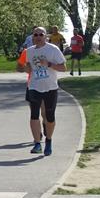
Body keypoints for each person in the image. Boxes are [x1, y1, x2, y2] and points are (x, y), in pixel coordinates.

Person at [24, 27, 67, 156]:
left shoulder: (53, 49)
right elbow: (28, 67)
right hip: (34, 86)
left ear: (45, 37)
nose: (38, 37)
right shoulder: (29, 51)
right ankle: (37, 144)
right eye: (35, 35)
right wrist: (26, 68)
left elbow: (63, 68)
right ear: (32, 37)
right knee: (34, 115)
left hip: (50, 87)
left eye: (41, 34)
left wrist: (48, 64)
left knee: (49, 117)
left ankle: (48, 140)